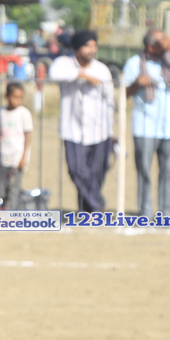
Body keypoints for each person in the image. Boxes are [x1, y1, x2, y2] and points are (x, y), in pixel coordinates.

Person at [122, 29, 170, 218]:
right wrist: (136, 83)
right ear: (150, 46)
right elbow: (123, 93)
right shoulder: (135, 63)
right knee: (144, 171)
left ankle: (165, 213)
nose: (167, 43)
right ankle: (145, 212)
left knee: (169, 172)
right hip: (145, 126)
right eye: (162, 41)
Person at [48, 30, 115, 212]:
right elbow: (53, 74)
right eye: (88, 46)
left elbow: (110, 100)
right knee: (76, 170)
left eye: (94, 45)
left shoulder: (102, 69)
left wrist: (111, 129)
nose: (92, 49)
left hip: (100, 130)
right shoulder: (64, 64)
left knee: (96, 174)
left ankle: (88, 213)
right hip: (72, 129)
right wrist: (82, 75)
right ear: (77, 48)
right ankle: (98, 203)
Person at [0, 82, 33, 210]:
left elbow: (28, 136)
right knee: (3, 188)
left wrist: (24, 157)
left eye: (21, 97)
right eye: (15, 97)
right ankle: (4, 211)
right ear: (7, 96)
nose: (18, 100)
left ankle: (12, 214)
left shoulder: (24, 113)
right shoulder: (1, 112)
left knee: (14, 189)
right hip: (4, 155)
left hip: (17, 156)